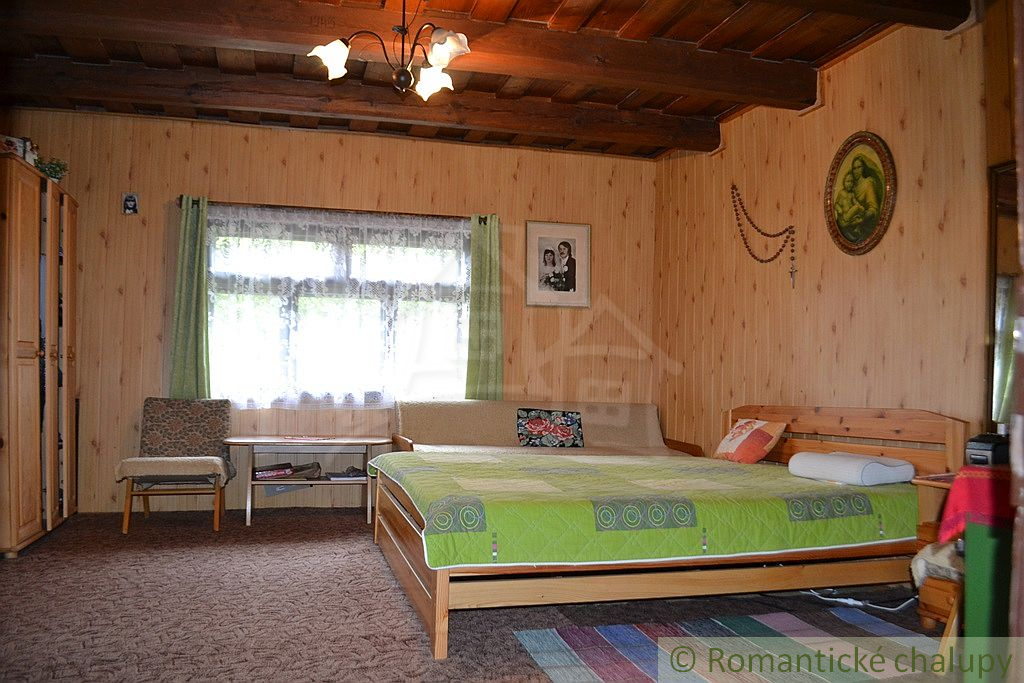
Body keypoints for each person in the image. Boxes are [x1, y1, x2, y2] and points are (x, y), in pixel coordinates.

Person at [850, 155, 881, 236]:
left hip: (864, 222)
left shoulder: (868, 183)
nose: (856, 171)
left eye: (859, 167)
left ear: (863, 168)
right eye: (854, 168)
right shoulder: (851, 185)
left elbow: (873, 209)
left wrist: (861, 220)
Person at [834, 171, 866, 241]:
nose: (850, 184)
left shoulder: (852, 194)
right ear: (844, 182)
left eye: (851, 182)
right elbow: (836, 204)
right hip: (844, 216)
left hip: (850, 216)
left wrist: (860, 207)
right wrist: (839, 209)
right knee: (857, 207)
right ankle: (849, 223)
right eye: (848, 181)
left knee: (860, 218)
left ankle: (856, 230)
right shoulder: (841, 193)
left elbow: (855, 202)